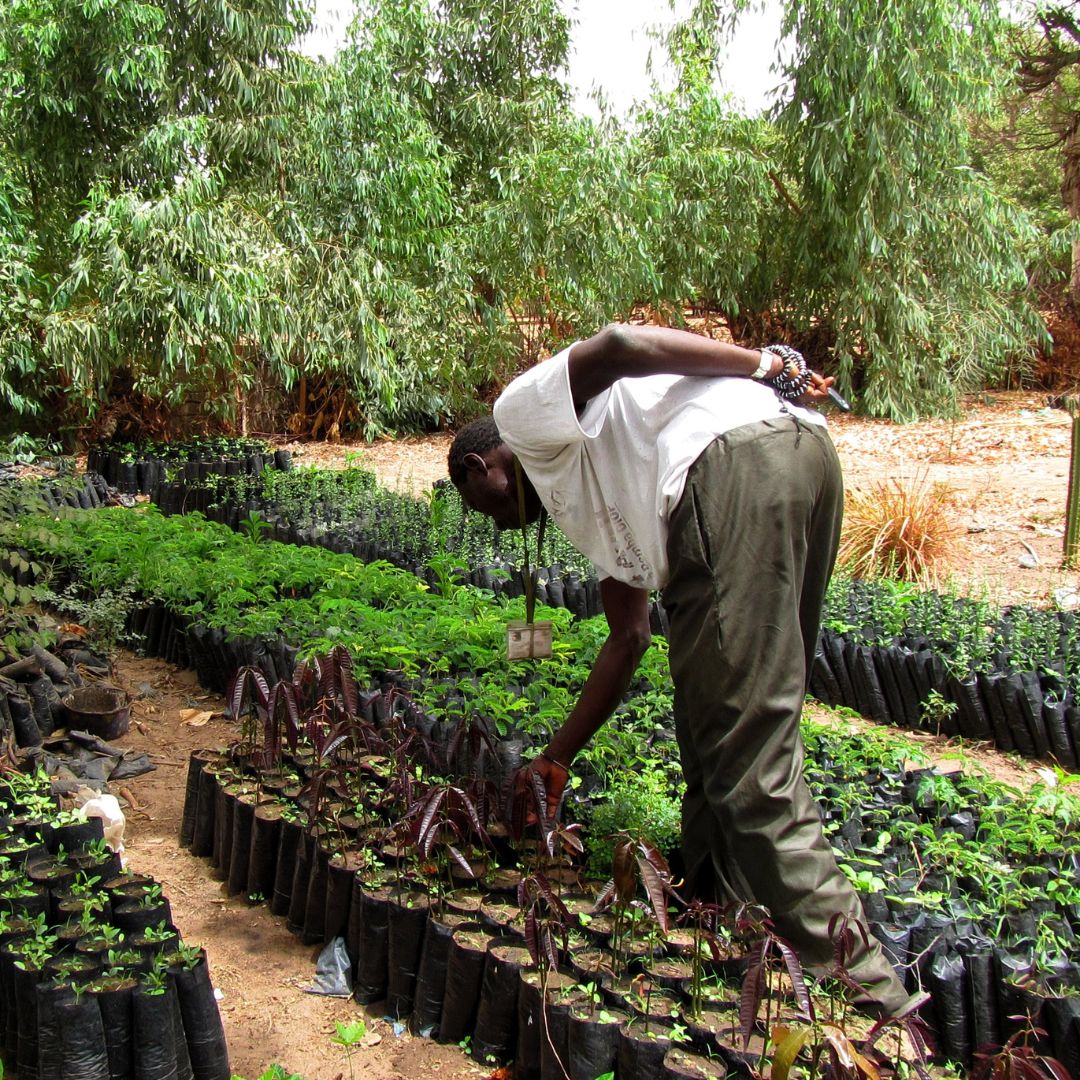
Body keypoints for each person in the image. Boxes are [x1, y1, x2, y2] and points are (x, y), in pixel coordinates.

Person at [447, 323, 912, 1016]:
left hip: (733, 469)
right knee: (710, 731)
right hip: (799, 454)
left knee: (750, 761)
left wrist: (766, 363)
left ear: (482, 468)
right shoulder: (587, 474)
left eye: (478, 505)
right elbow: (628, 639)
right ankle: (721, 920)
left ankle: (879, 1013)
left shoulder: (521, 413)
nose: (493, 525)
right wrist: (557, 759)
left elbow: (621, 346)